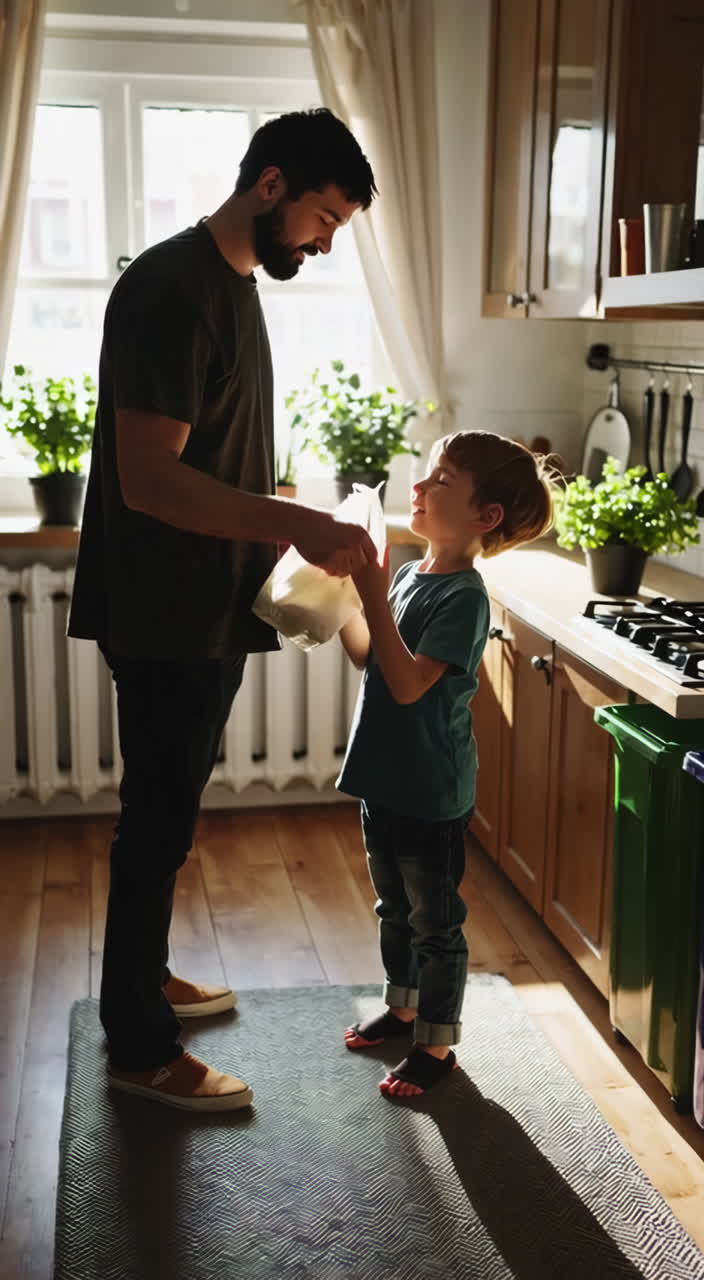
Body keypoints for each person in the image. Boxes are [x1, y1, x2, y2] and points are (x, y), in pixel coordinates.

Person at [67, 109, 377, 1112]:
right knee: (155, 823)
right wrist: (294, 517)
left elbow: (211, 461)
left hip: (207, 604)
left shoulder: (233, 287)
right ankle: (140, 1046)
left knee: (170, 815)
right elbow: (151, 481)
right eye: (324, 218)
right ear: (272, 185)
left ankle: (144, 977)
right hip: (164, 611)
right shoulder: (170, 290)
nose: (325, 243)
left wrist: (283, 529)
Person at [337, 431, 553, 1098]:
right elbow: (368, 655)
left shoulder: (464, 597)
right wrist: (344, 596)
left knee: (436, 923)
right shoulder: (408, 575)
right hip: (384, 778)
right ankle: (402, 1007)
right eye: (426, 476)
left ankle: (436, 1044)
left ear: (484, 516)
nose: (421, 487)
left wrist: (372, 592)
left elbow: (407, 685)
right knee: (393, 907)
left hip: (430, 791)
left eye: (442, 481)